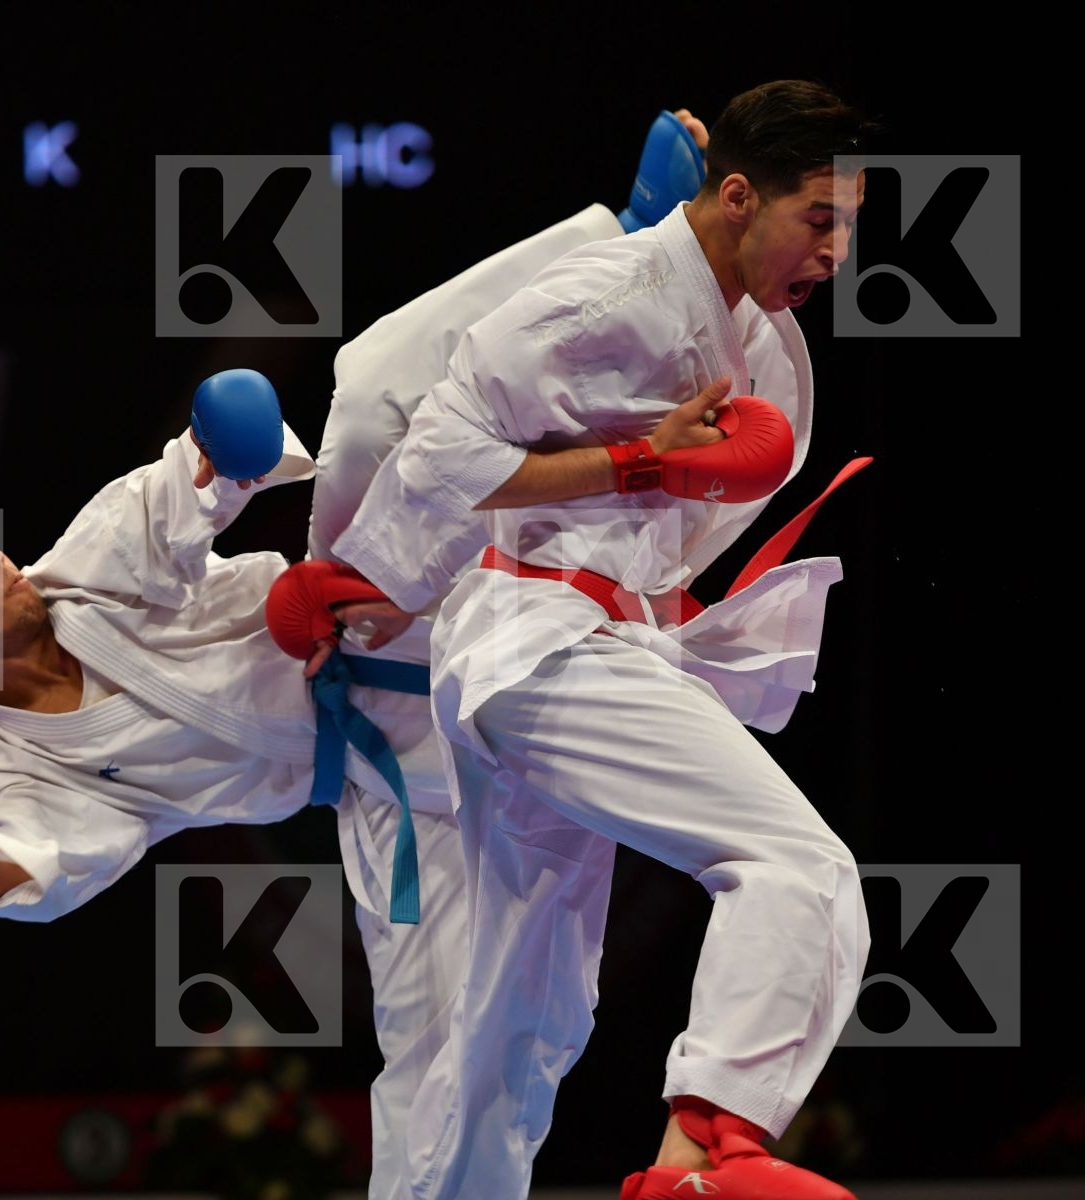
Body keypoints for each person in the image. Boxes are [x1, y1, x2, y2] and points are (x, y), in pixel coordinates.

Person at [0, 106, 713, 1200]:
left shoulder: (80, 571)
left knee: (375, 380)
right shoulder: (22, 773)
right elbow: (48, 863)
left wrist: (224, 453)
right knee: (471, 1049)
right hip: (398, 779)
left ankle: (630, 237)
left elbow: (175, 501)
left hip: (375, 590)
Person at [324, 80, 875, 1200]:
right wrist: (632, 463)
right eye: (820, 220)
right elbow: (435, 451)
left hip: (576, 644)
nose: (835, 253)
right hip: (537, 642)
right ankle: (708, 1153)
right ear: (734, 199)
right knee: (800, 868)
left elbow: (667, 535)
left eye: (849, 228)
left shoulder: (766, 350)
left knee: (523, 1022)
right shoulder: (600, 298)